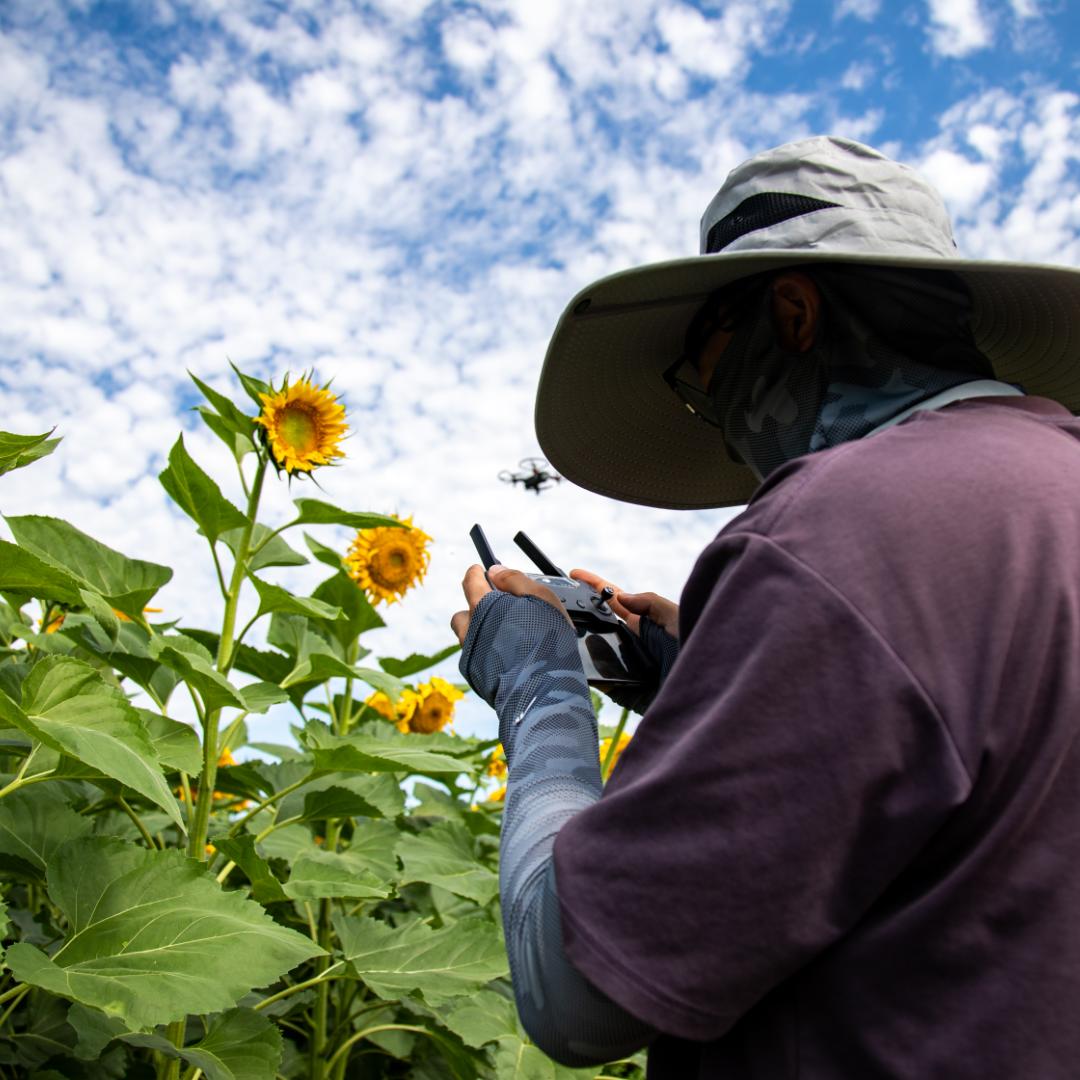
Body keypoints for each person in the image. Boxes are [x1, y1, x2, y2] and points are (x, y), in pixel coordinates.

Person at [450, 135, 1080, 1078]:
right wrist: (710, 671)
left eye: (703, 366)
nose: (710, 400)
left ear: (791, 314)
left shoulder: (839, 531)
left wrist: (538, 683)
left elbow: (574, 995)